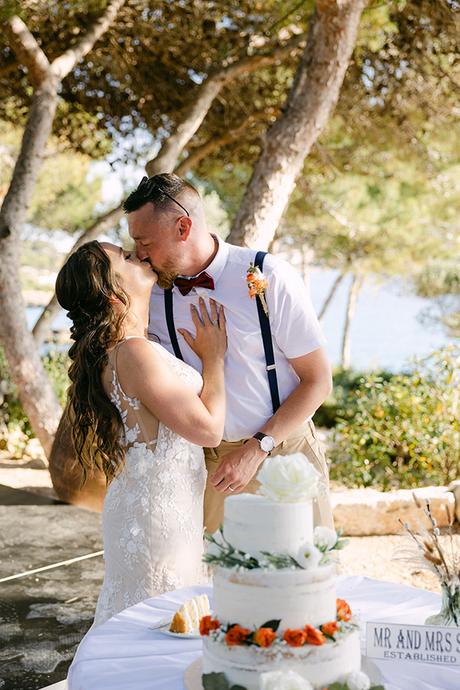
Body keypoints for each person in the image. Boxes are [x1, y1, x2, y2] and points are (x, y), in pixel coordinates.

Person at [125, 173, 334, 532]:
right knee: (225, 584)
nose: (139, 254)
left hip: (284, 455)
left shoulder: (269, 276)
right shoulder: (149, 296)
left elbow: (318, 381)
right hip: (206, 470)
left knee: (304, 579)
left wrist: (257, 449)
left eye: (144, 242)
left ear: (183, 227)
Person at [55, 240, 226, 625]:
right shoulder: (133, 352)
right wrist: (214, 359)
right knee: (158, 620)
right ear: (115, 295)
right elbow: (209, 430)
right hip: (157, 514)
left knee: (154, 620)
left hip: (157, 503)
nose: (138, 254)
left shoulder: (123, 350)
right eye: (125, 257)